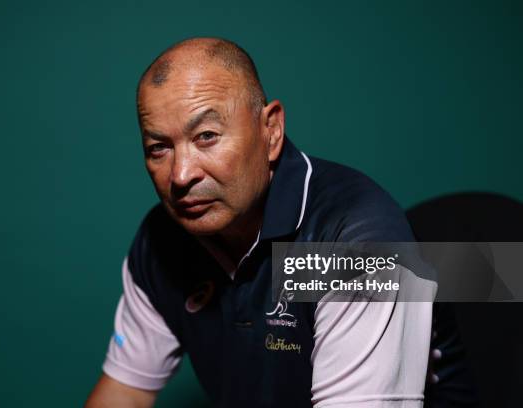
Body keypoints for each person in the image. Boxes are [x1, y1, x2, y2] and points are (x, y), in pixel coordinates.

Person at [85, 37, 435, 408]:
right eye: (159, 148)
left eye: (206, 137)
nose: (181, 175)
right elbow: (127, 392)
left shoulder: (356, 240)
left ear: (271, 131)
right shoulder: (163, 240)